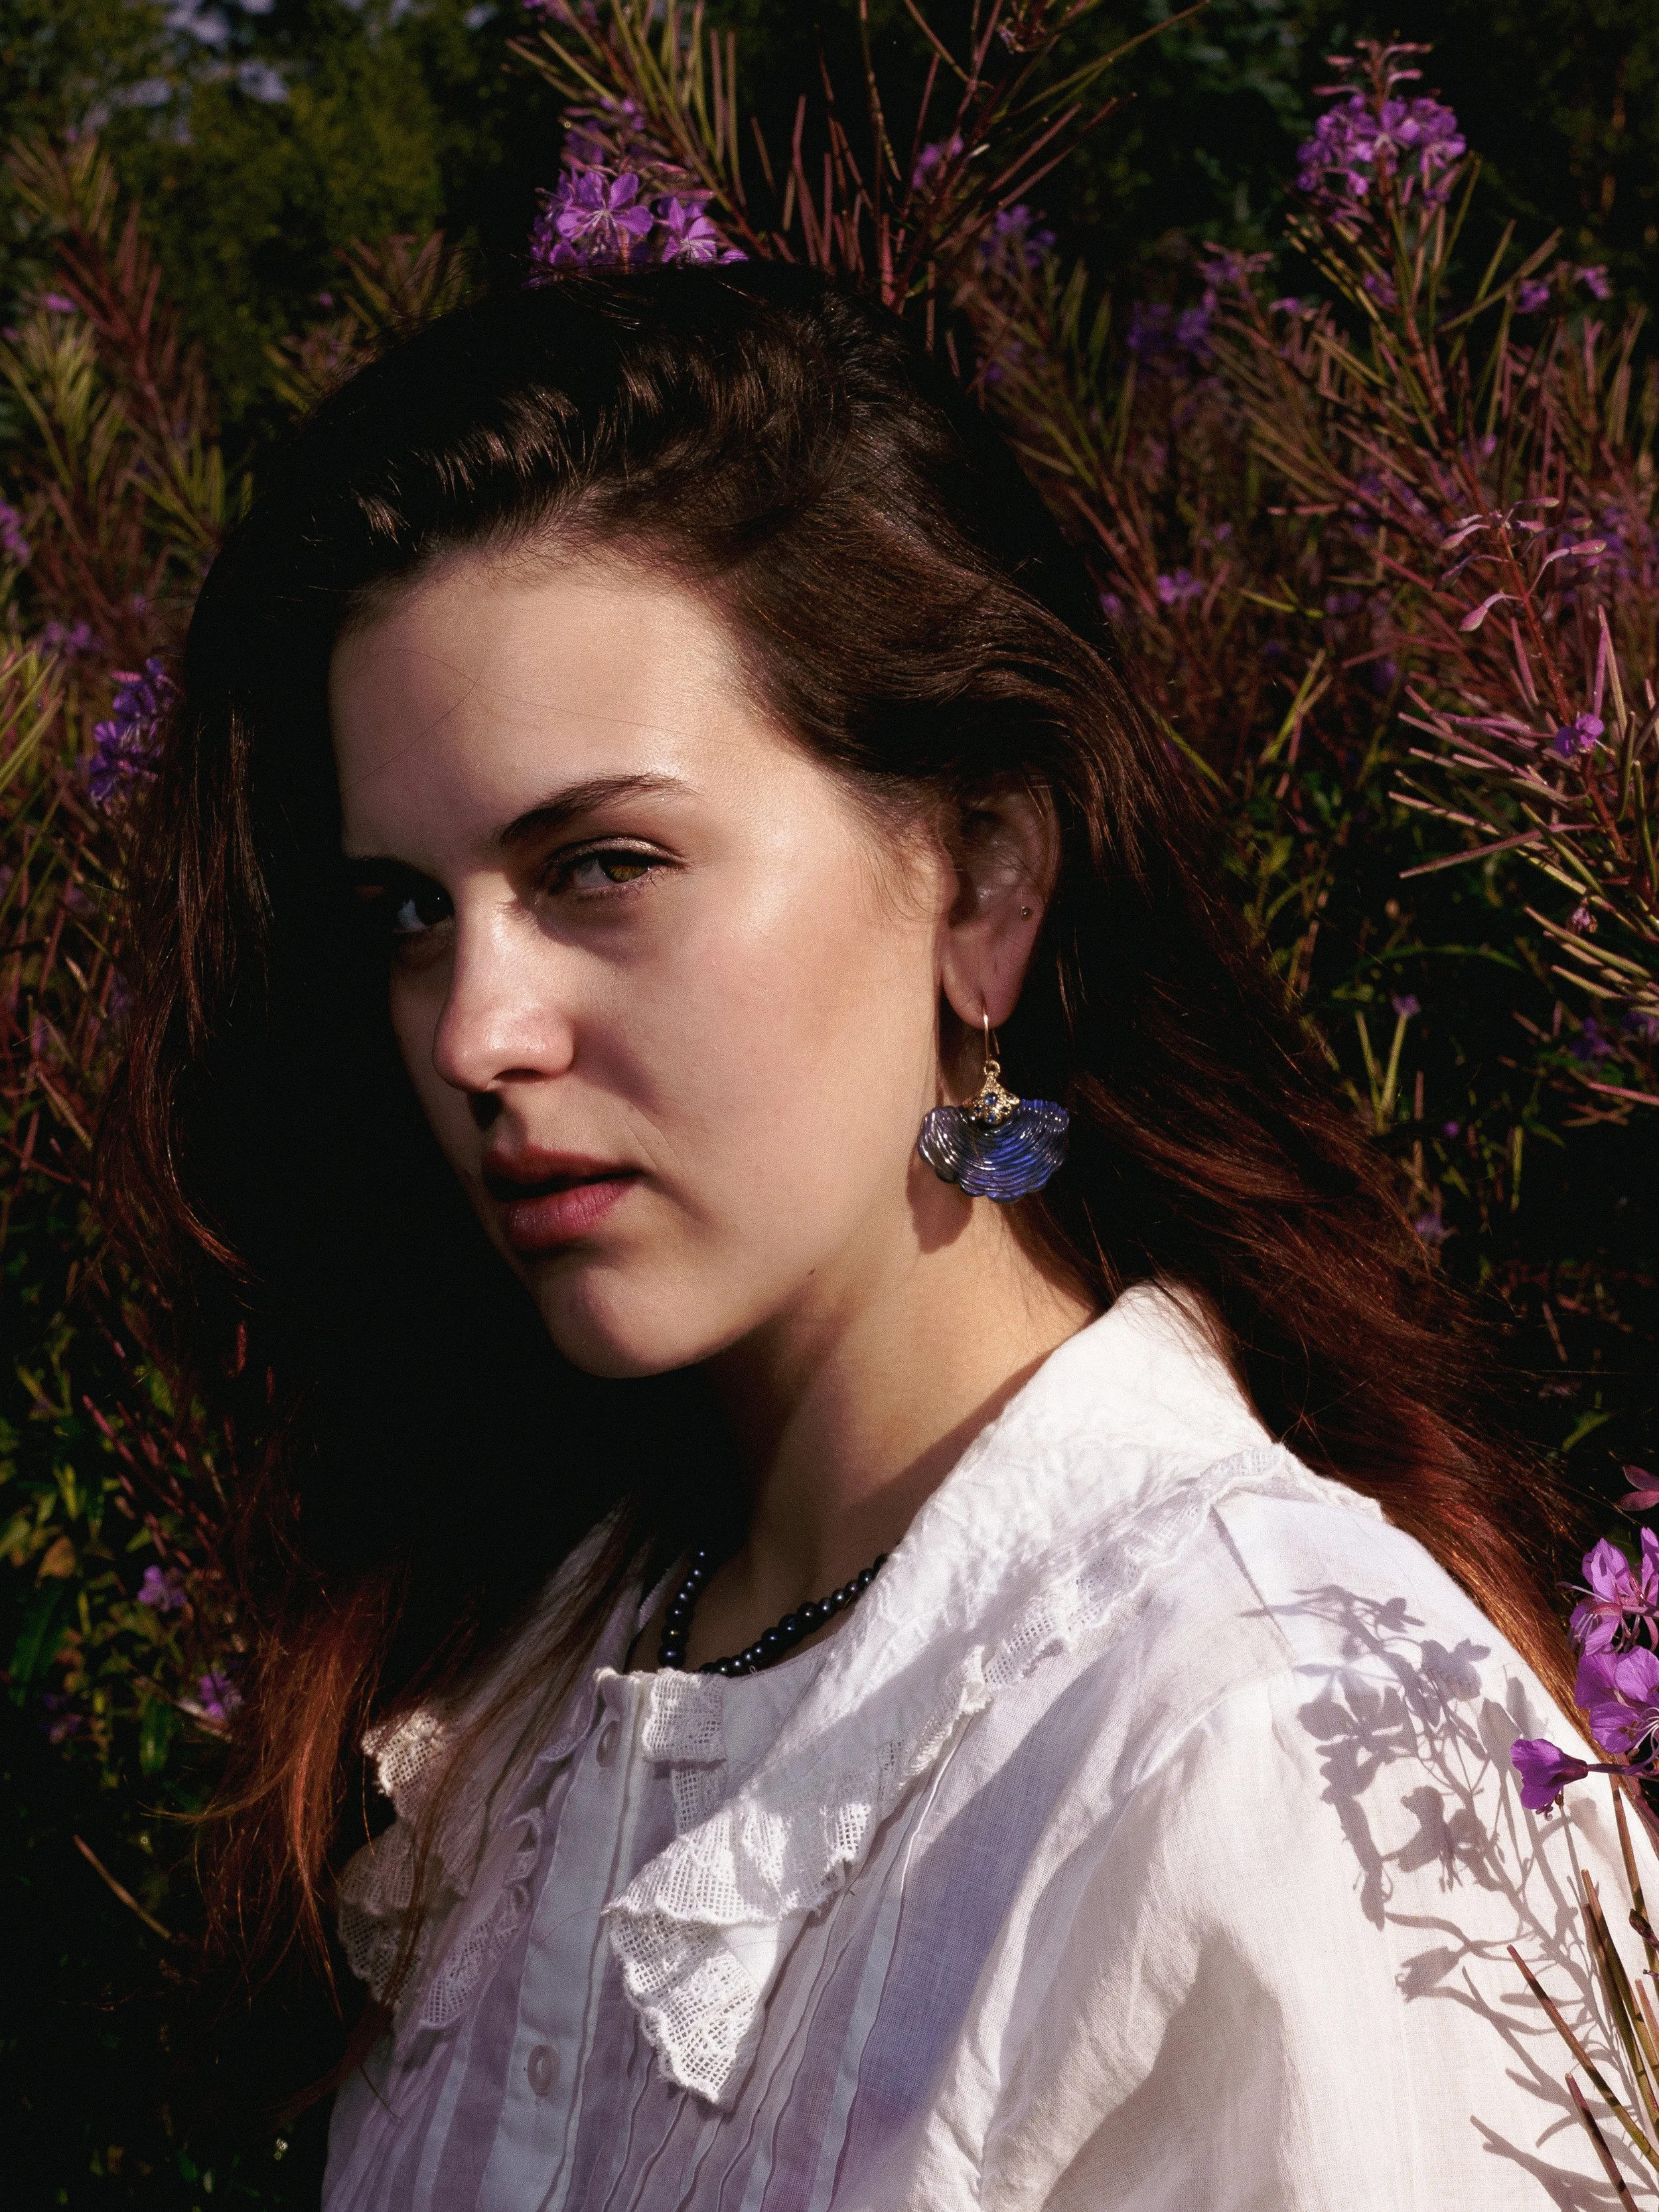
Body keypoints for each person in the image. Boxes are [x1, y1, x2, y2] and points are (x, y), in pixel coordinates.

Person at [109, 263, 1642, 2209]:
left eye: (602, 866)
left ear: (983, 880)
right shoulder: (529, 1686)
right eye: (409, 909)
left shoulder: (1261, 1743)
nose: (478, 1028)